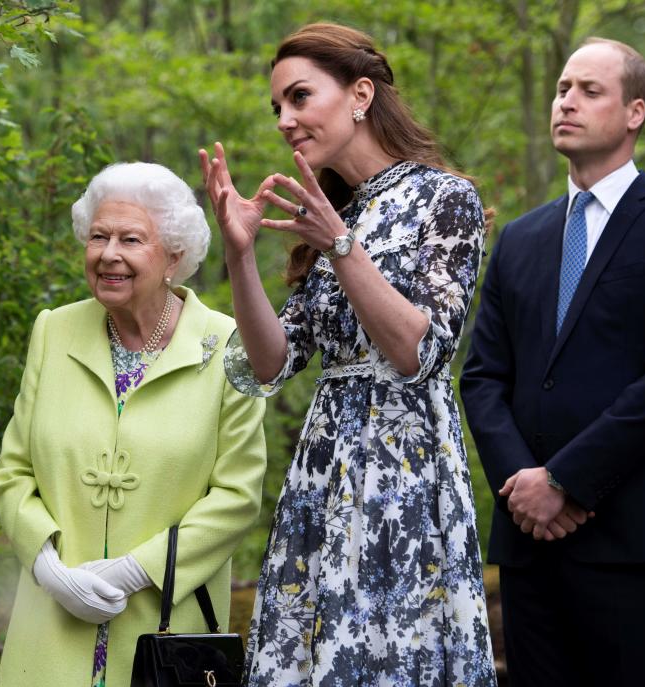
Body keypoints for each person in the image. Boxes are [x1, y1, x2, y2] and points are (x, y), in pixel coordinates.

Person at [200, 22, 496, 686]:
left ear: (361, 94)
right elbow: (269, 364)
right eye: (276, 106)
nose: (285, 119)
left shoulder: (445, 200)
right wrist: (239, 252)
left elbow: (418, 349)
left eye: (300, 97)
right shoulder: (333, 214)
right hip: (323, 473)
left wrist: (342, 246)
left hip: (405, 479)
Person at [461, 37, 645, 686]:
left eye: (590, 91)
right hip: (530, 541)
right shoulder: (521, 237)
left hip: (635, 536)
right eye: (563, 88)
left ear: (635, 112)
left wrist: (567, 480)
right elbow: (482, 377)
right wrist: (525, 487)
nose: (567, 101)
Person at [0, 162, 267, 687]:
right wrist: (49, 569)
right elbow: (11, 472)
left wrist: (134, 570)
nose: (108, 254)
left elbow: (238, 495)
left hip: (163, 635)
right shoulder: (53, 331)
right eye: (98, 236)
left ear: (174, 255)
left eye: (131, 239)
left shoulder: (229, 344)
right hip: (52, 625)